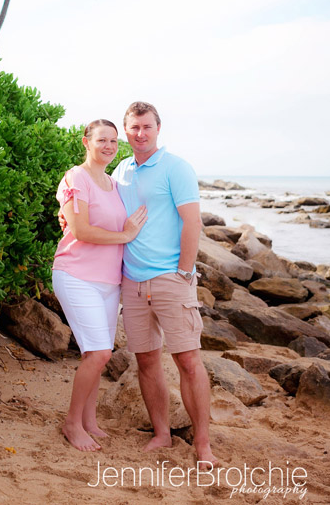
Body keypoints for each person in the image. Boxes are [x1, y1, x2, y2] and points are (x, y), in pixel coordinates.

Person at [112, 101, 217, 466]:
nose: (140, 134)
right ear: (126, 131)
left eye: (146, 127)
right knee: (146, 361)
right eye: (134, 128)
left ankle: (203, 445)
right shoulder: (122, 170)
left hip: (171, 278)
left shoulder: (176, 167)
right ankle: (162, 434)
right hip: (133, 281)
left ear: (158, 129)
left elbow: (192, 222)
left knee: (188, 361)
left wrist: (185, 272)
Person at [53, 120, 147, 451]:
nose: (108, 145)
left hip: (109, 282)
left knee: (96, 355)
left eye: (113, 140)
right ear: (86, 142)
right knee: (100, 353)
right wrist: (124, 236)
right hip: (76, 275)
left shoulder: (111, 182)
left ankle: (88, 421)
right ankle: (71, 424)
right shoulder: (76, 177)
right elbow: (79, 229)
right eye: (101, 140)